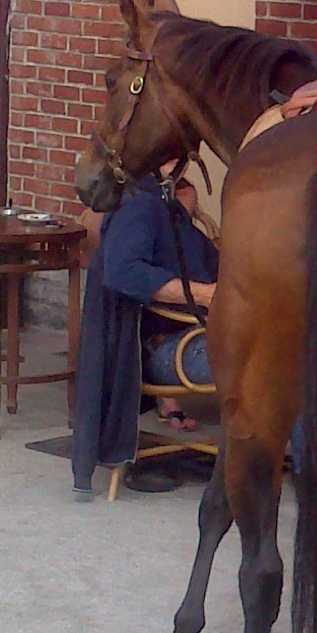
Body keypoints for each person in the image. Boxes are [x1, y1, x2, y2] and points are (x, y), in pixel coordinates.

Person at [70, 171, 217, 498]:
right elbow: (123, 272)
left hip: (190, 337)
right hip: (173, 353)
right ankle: (313, 474)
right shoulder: (139, 206)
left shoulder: (166, 208)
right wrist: (206, 295)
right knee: (291, 355)